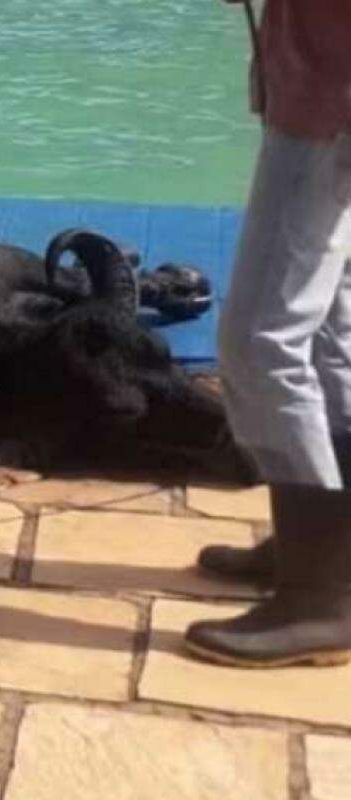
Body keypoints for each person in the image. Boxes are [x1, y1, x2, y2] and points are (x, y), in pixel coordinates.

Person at [187, 1, 351, 667]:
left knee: (263, 342)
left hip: (331, 97)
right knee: (327, 337)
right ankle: (325, 554)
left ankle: (321, 597)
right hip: (325, 79)